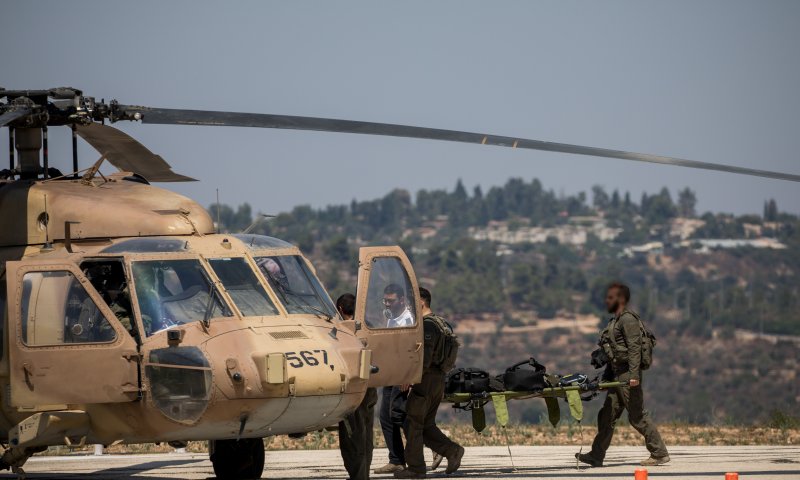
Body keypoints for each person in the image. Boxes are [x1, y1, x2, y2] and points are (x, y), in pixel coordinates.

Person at [576, 283, 670, 468]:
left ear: (621, 299)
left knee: (637, 416)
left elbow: (634, 349)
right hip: (617, 375)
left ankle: (659, 453)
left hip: (628, 375)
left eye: (610, 297)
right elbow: (613, 355)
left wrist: (634, 375)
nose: (606, 300)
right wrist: (606, 379)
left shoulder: (628, 320)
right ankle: (596, 455)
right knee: (607, 415)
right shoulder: (615, 321)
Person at [395, 287, 464, 479]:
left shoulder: (427, 326)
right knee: (426, 424)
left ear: (421, 302)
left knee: (412, 423)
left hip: (425, 380)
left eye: (411, 302)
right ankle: (452, 451)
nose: (408, 307)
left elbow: (424, 357)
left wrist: (410, 378)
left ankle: (416, 469)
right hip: (438, 380)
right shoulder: (443, 324)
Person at [337, 293, 379, 480]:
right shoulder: (368, 327)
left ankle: (359, 475)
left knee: (352, 435)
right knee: (366, 432)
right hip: (370, 388)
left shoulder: (342, 331)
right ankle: (364, 474)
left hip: (353, 390)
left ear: (339, 310)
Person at [375, 284, 413, 475]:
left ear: (402, 300)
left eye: (391, 301)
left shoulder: (407, 320)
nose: (388, 304)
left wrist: (407, 376)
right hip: (391, 373)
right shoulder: (392, 319)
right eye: (386, 301)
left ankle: (432, 447)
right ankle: (396, 459)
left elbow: (410, 350)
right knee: (386, 417)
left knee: (400, 416)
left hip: (402, 375)